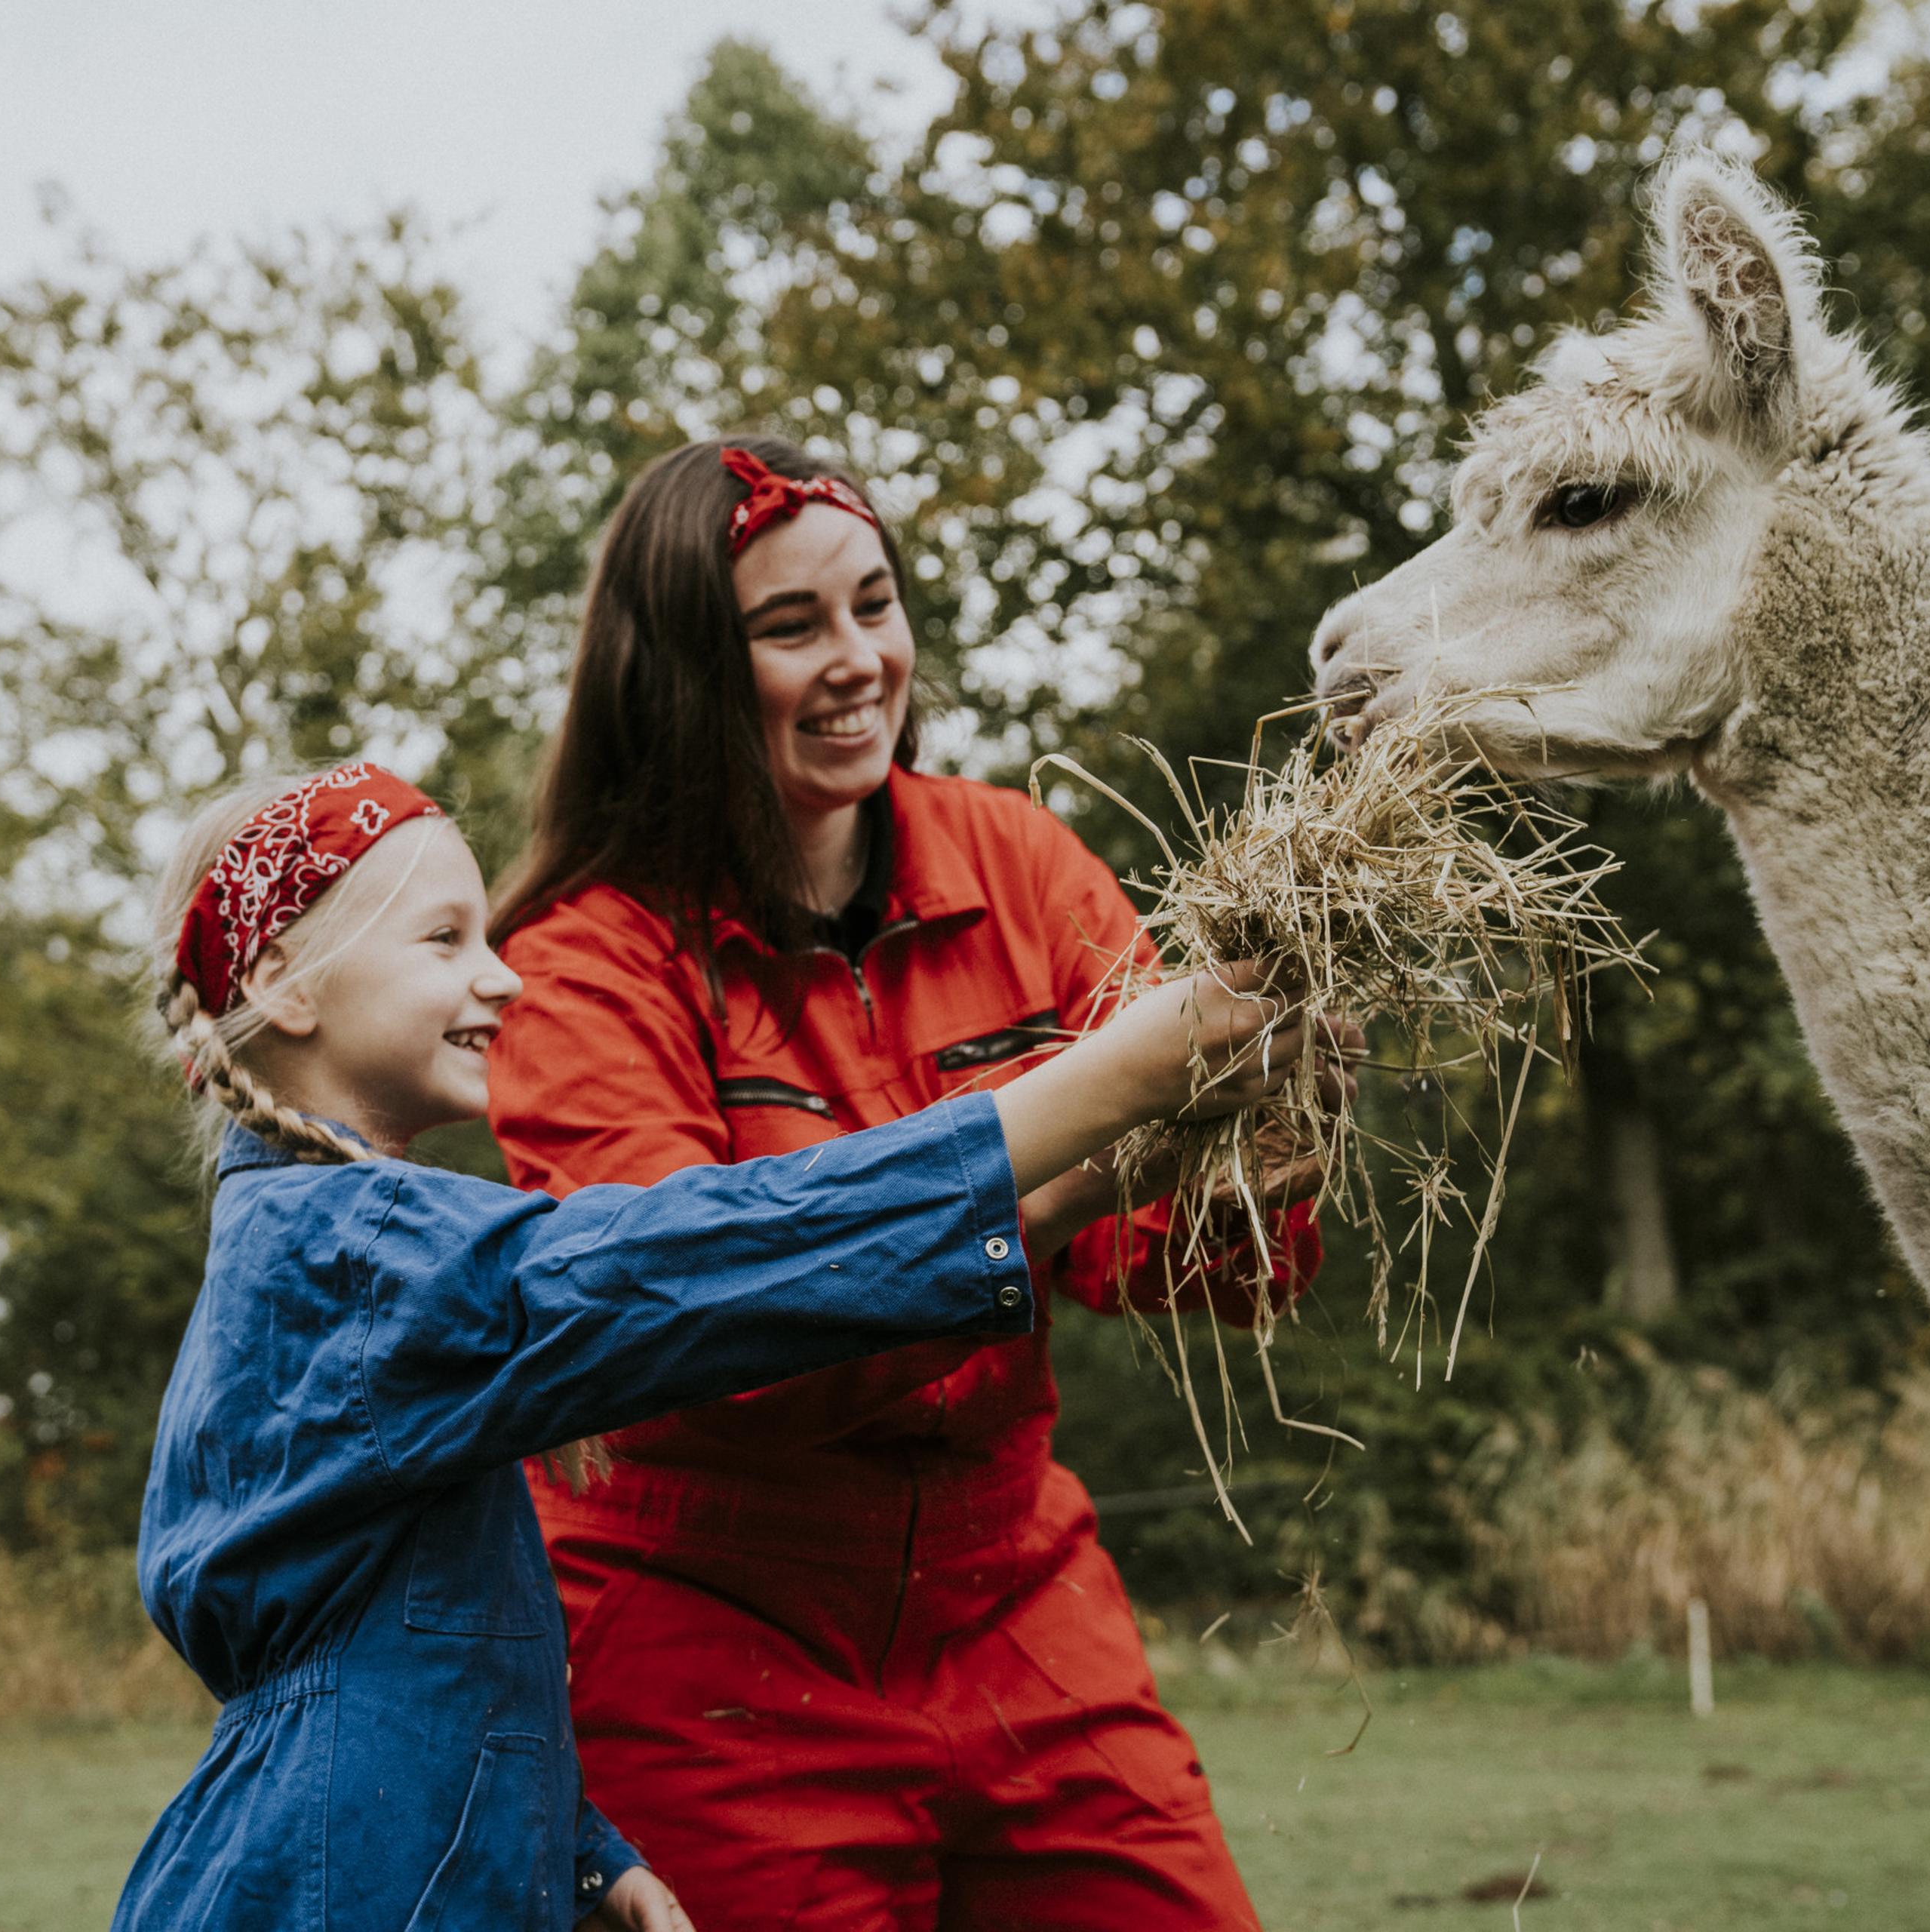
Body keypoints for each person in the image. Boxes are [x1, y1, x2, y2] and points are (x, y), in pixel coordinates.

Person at [109, 760, 1323, 1932]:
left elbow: (416, 1651)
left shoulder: (342, 1252)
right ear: (284, 982)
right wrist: (1099, 1090)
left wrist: (585, 1854)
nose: (507, 981)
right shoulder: (351, 1255)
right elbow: (689, 1268)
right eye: (444, 942)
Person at [487, 437, 1349, 1930]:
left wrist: (1249, 1180)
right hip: (709, 1631)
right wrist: (1080, 1166)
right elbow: (704, 1338)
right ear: (686, 669)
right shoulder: (586, 957)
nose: (858, 660)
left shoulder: (1015, 862)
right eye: (790, 627)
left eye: (874, 605)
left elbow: (1177, 1262)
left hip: (1014, 1590)